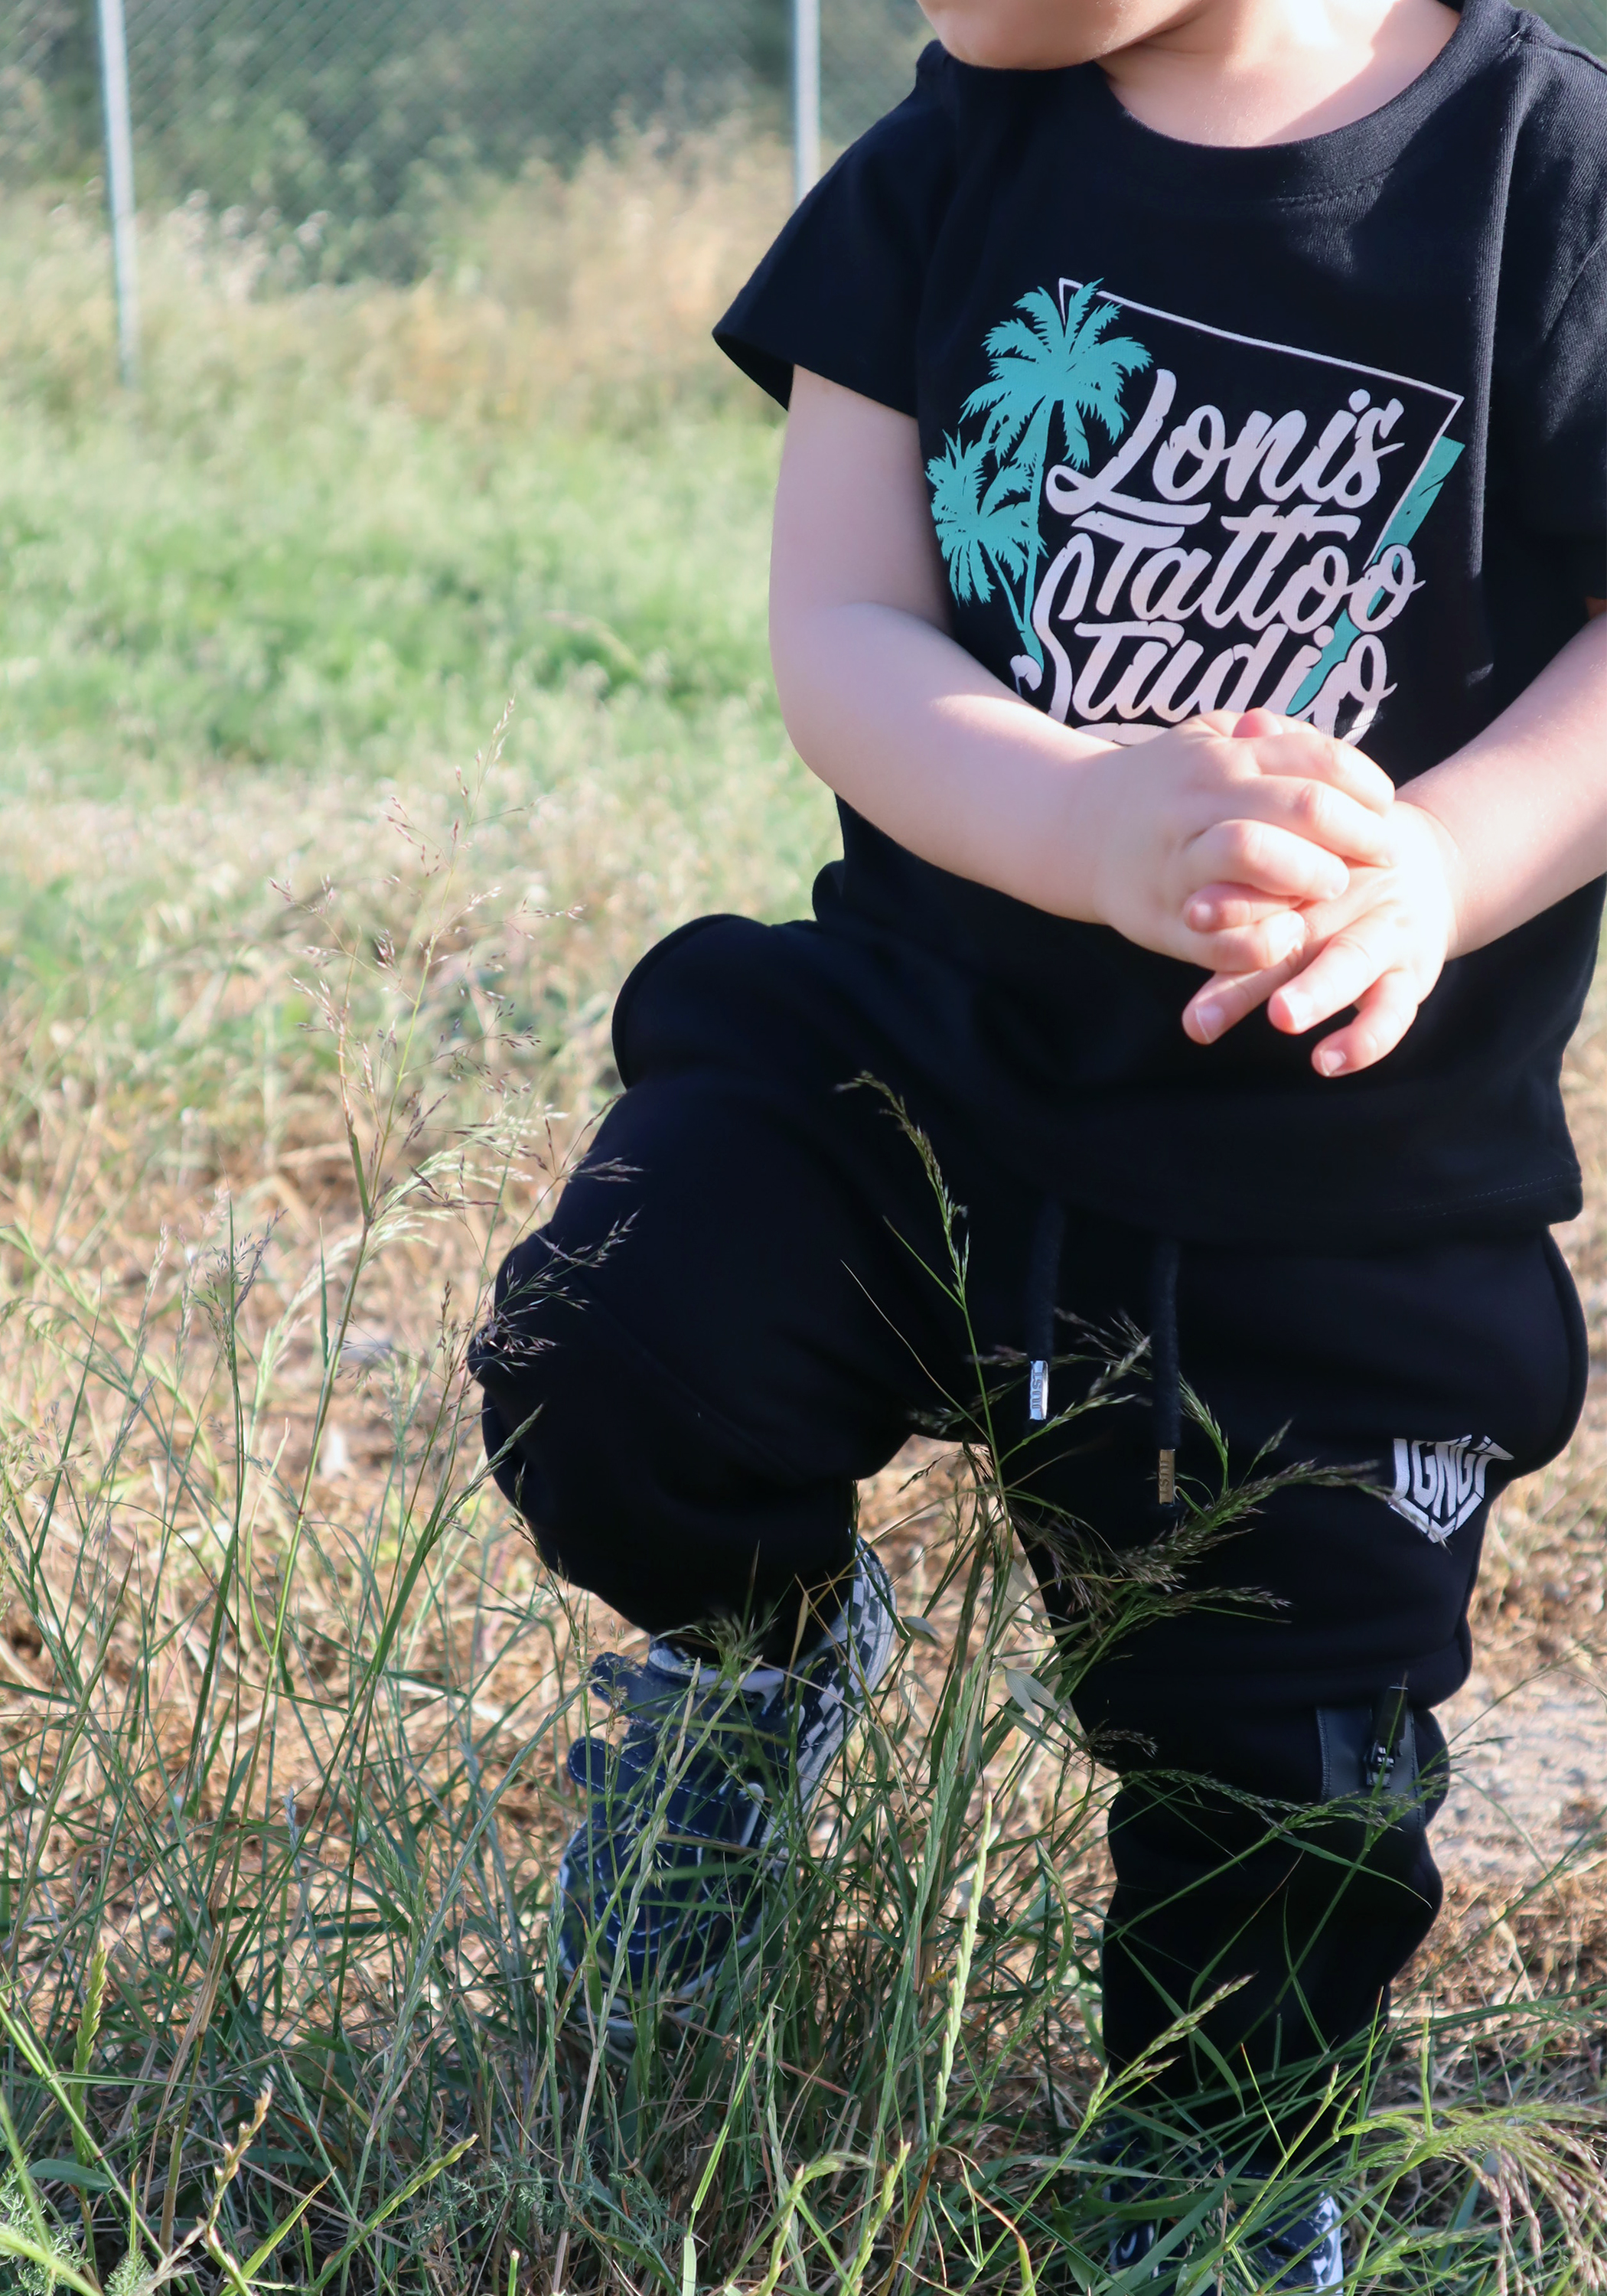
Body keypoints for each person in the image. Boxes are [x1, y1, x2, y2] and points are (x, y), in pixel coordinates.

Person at [469, 0, 1605, 2279]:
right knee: (620, 1342)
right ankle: (757, 1661)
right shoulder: (949, 158)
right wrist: (1084, 818)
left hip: (1331, 1180)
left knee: (1276, 1757)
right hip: (917, 1059)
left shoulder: (1547, 181)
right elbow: (842, 625)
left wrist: (1442, 864)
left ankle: (1216, 2166)